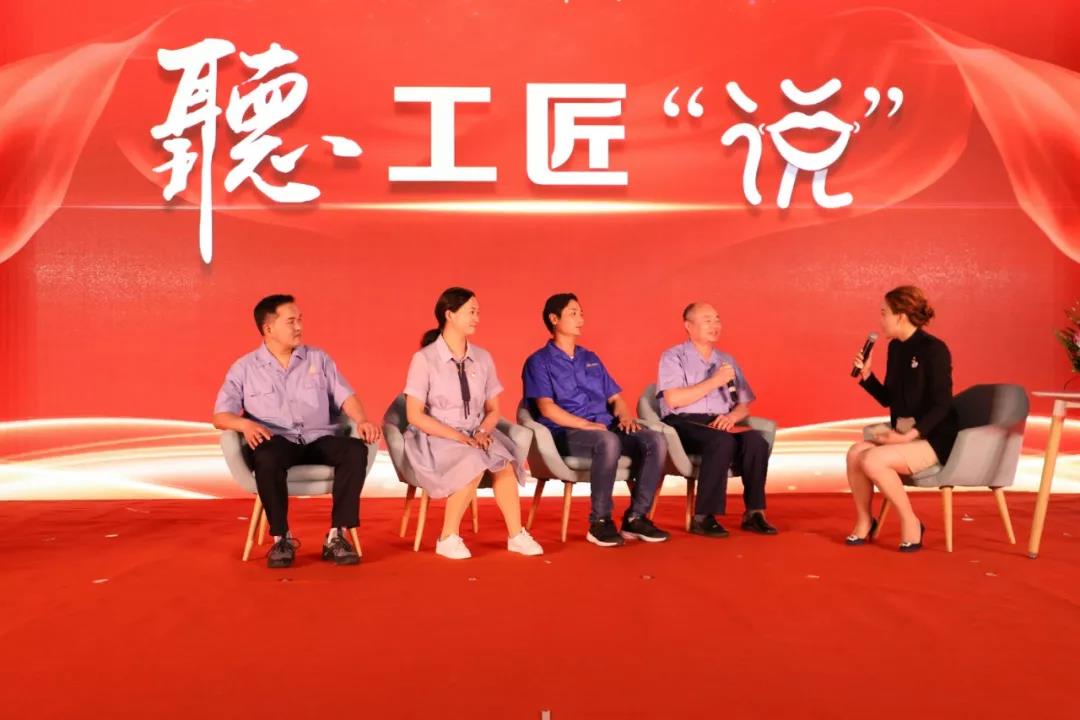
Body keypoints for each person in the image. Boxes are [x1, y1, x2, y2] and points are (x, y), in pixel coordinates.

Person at [212, 294, 382, 568]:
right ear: (269, 328)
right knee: (266, 456)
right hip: (278, 440)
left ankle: (337, 536)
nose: (299, 327)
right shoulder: (244, 368)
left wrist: (362, 420)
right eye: (291, 321)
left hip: (318, 438)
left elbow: (345, 396)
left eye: (300, 319)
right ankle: (282, 538)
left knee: (354, 450)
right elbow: (220, 416)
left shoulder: (318, 358)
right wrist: (245, 424)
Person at [403, 287, 543, 560]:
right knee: (474, 460)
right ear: (450, 315)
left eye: (478, 312)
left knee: (503, 464)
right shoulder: (424, 359)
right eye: (472, 312)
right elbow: (415, 415)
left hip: (476, 434)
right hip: (437, 437)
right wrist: (459, 437)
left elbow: (493, 410)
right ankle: (447, 537)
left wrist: (481, 431)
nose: (477, 318)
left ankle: (516, 535)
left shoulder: (483, 358)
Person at [522, 293, 670, 547]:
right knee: (608, 441)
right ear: (554, 319)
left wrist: (624, 415)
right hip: (566, 432)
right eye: (573, 314)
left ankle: (636, 517)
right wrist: (585, 425)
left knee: (655, 440)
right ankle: (600, 521)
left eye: (581, 313)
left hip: (606, 428)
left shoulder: (590, 358)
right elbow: (546, 409)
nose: (580, 319)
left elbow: (616, 398)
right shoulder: (538, 361)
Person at [848, 286, 958, 553]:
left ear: (900, 316)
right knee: (855, 453)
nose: (881, 320)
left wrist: (908, 435)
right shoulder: (896, 348)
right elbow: (890, 398)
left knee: (872, 459)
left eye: (884, 313)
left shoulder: (934, 349)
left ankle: (911, 522)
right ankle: (865, 521)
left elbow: (943, 405)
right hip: (903, 435)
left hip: (931, 439)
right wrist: (867, 376)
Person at [657, 302, 778, 537]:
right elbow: (673, 400)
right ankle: (704, 516)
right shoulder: (673, 356)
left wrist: (731, 416)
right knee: (721, 441)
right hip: (683, 423)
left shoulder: (726, 360)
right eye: (707, 320)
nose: (715, 325)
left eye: (717, 319)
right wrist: (715, 381)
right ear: (688, 326)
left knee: (756, 442)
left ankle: (754, 513)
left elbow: (742, 404)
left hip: (718, 422)